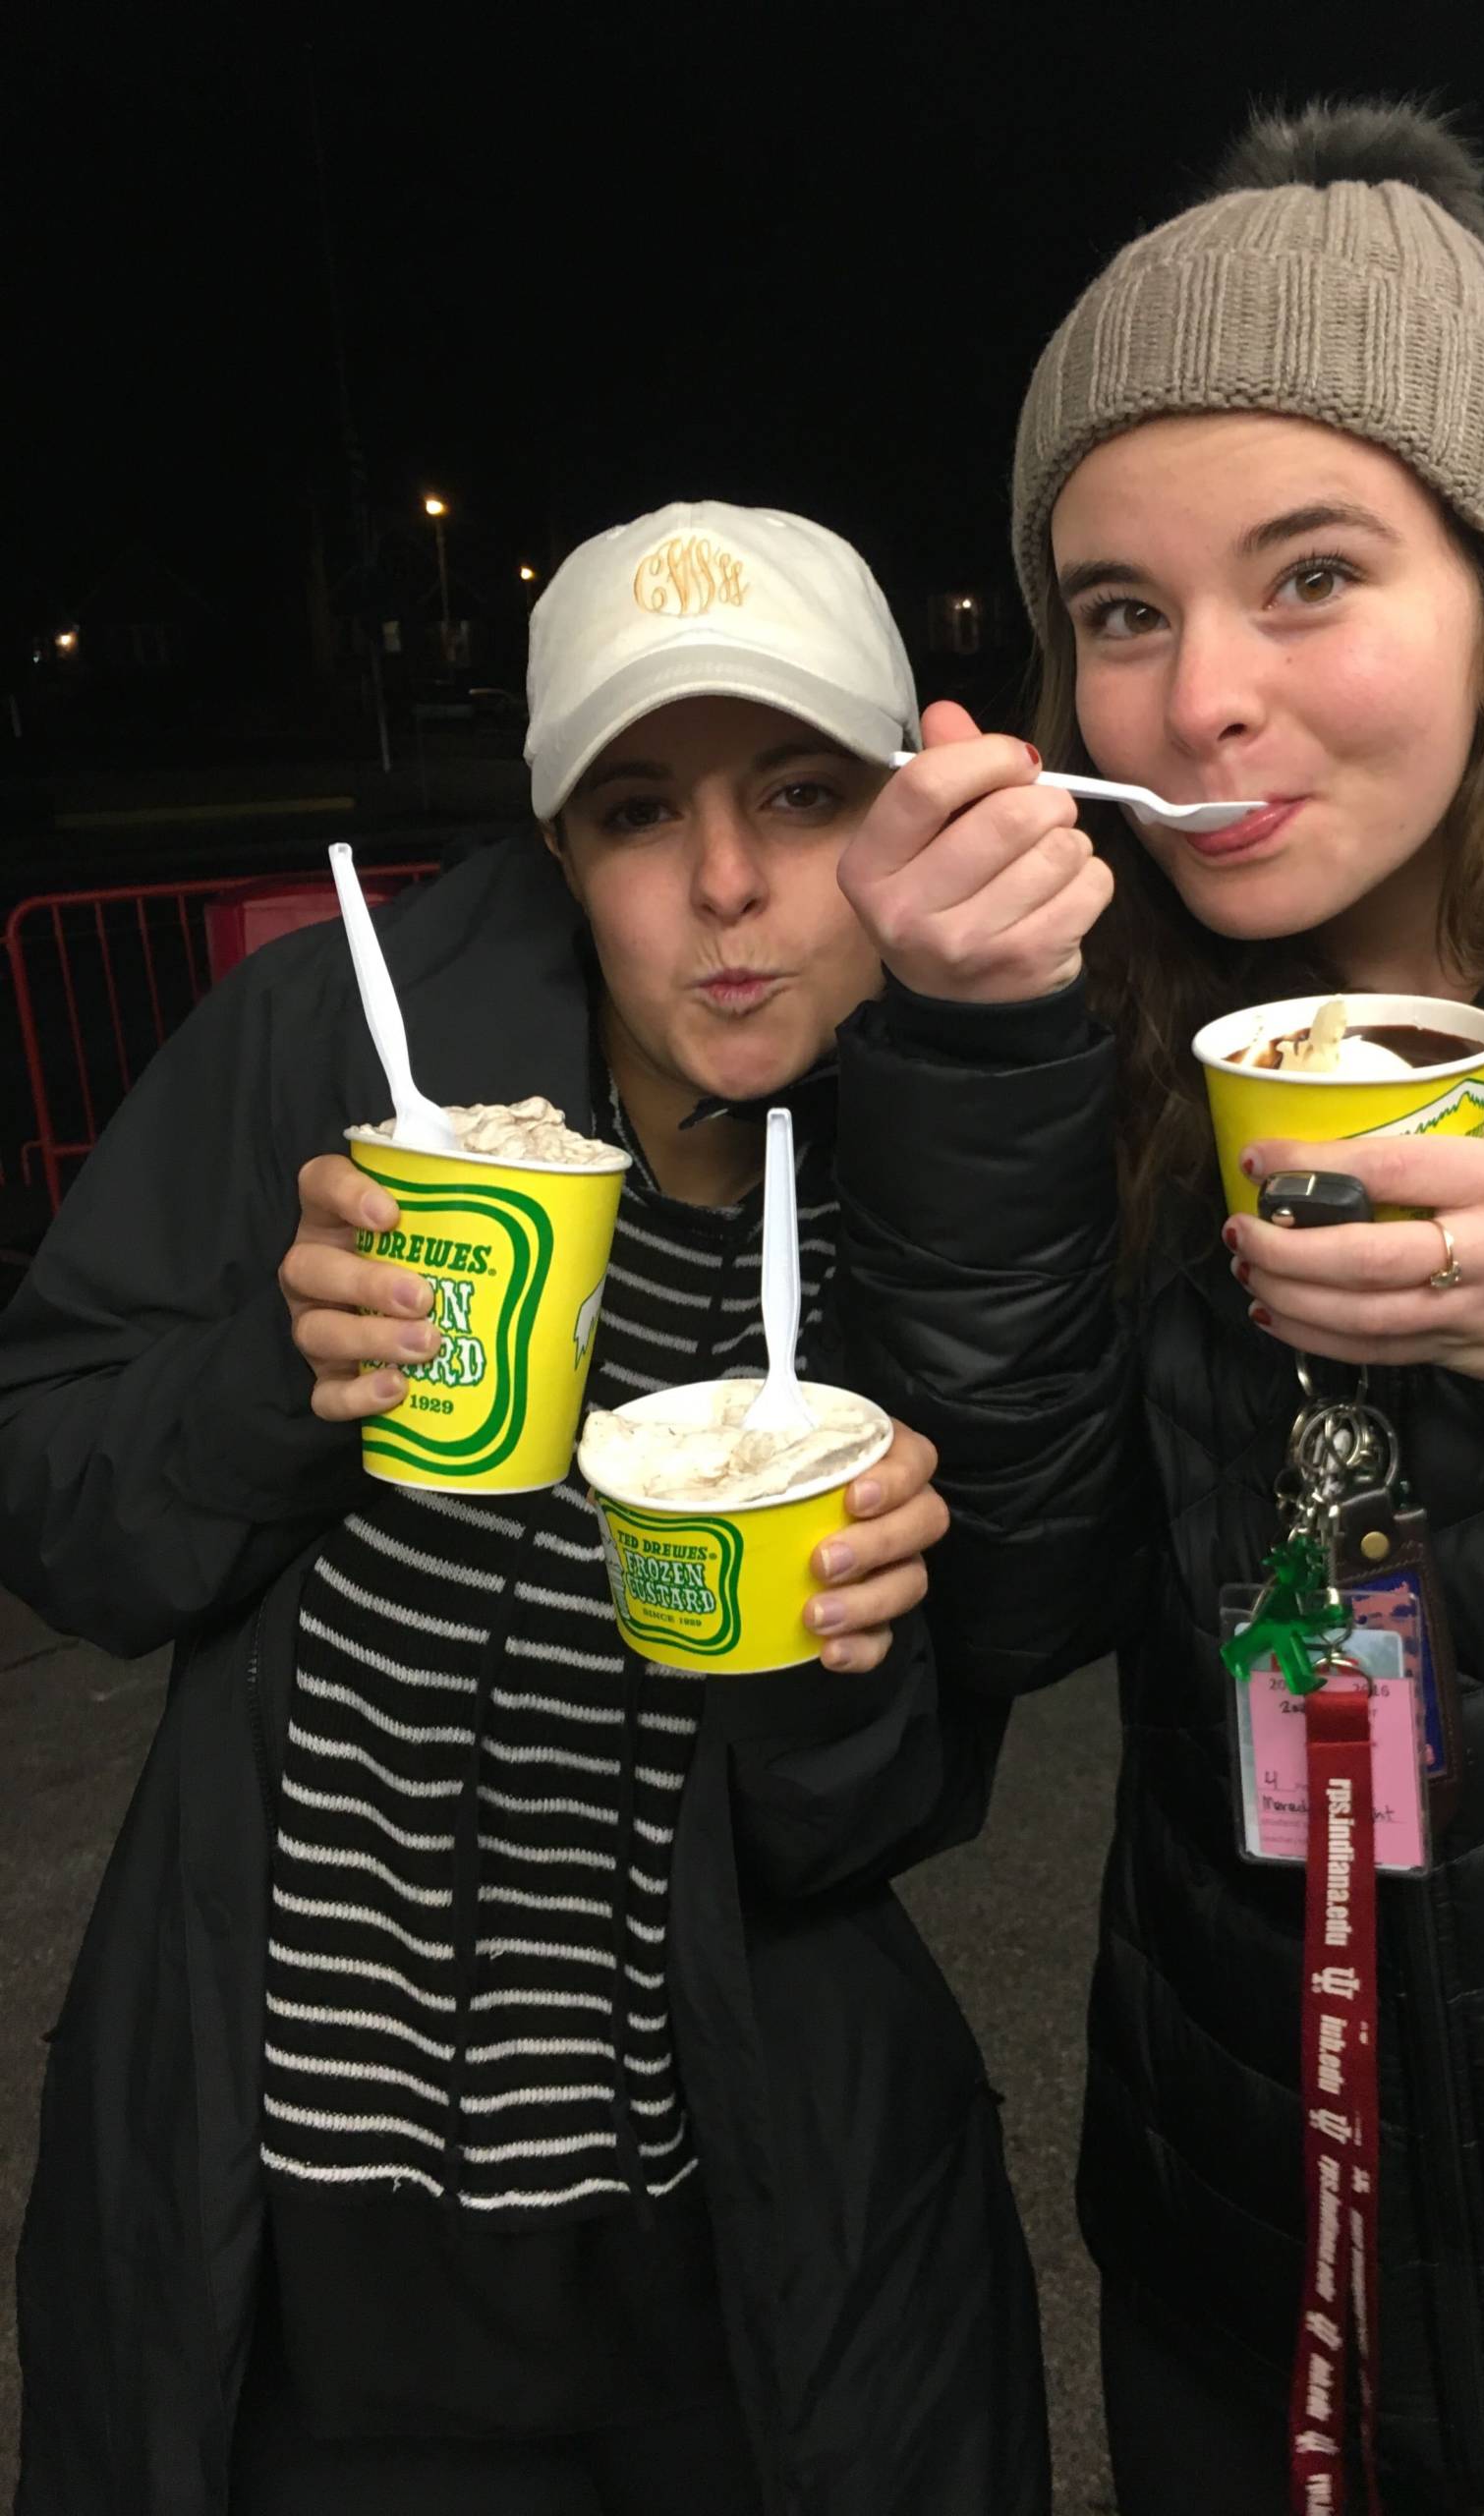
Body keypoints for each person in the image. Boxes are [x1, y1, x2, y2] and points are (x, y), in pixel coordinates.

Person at [832, 101, 1484, 2516]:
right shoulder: (1105, 1027)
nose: (1199, 699)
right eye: (1120, 609)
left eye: (1310, 573)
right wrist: (976, 1068)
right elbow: (1008, 1598)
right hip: (1258, 2269)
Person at [0, 501, 1056, 2515]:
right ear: (566, 849)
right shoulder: (327, 1043)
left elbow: (887, 1798)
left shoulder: (940, 1185)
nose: (732, 884)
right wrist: (263, 1384)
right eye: (643, 809)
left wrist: (829, 1648)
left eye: (806, 793)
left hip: (727, 2265)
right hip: (293, 2253)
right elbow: (52, 1495)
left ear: (898, 822)